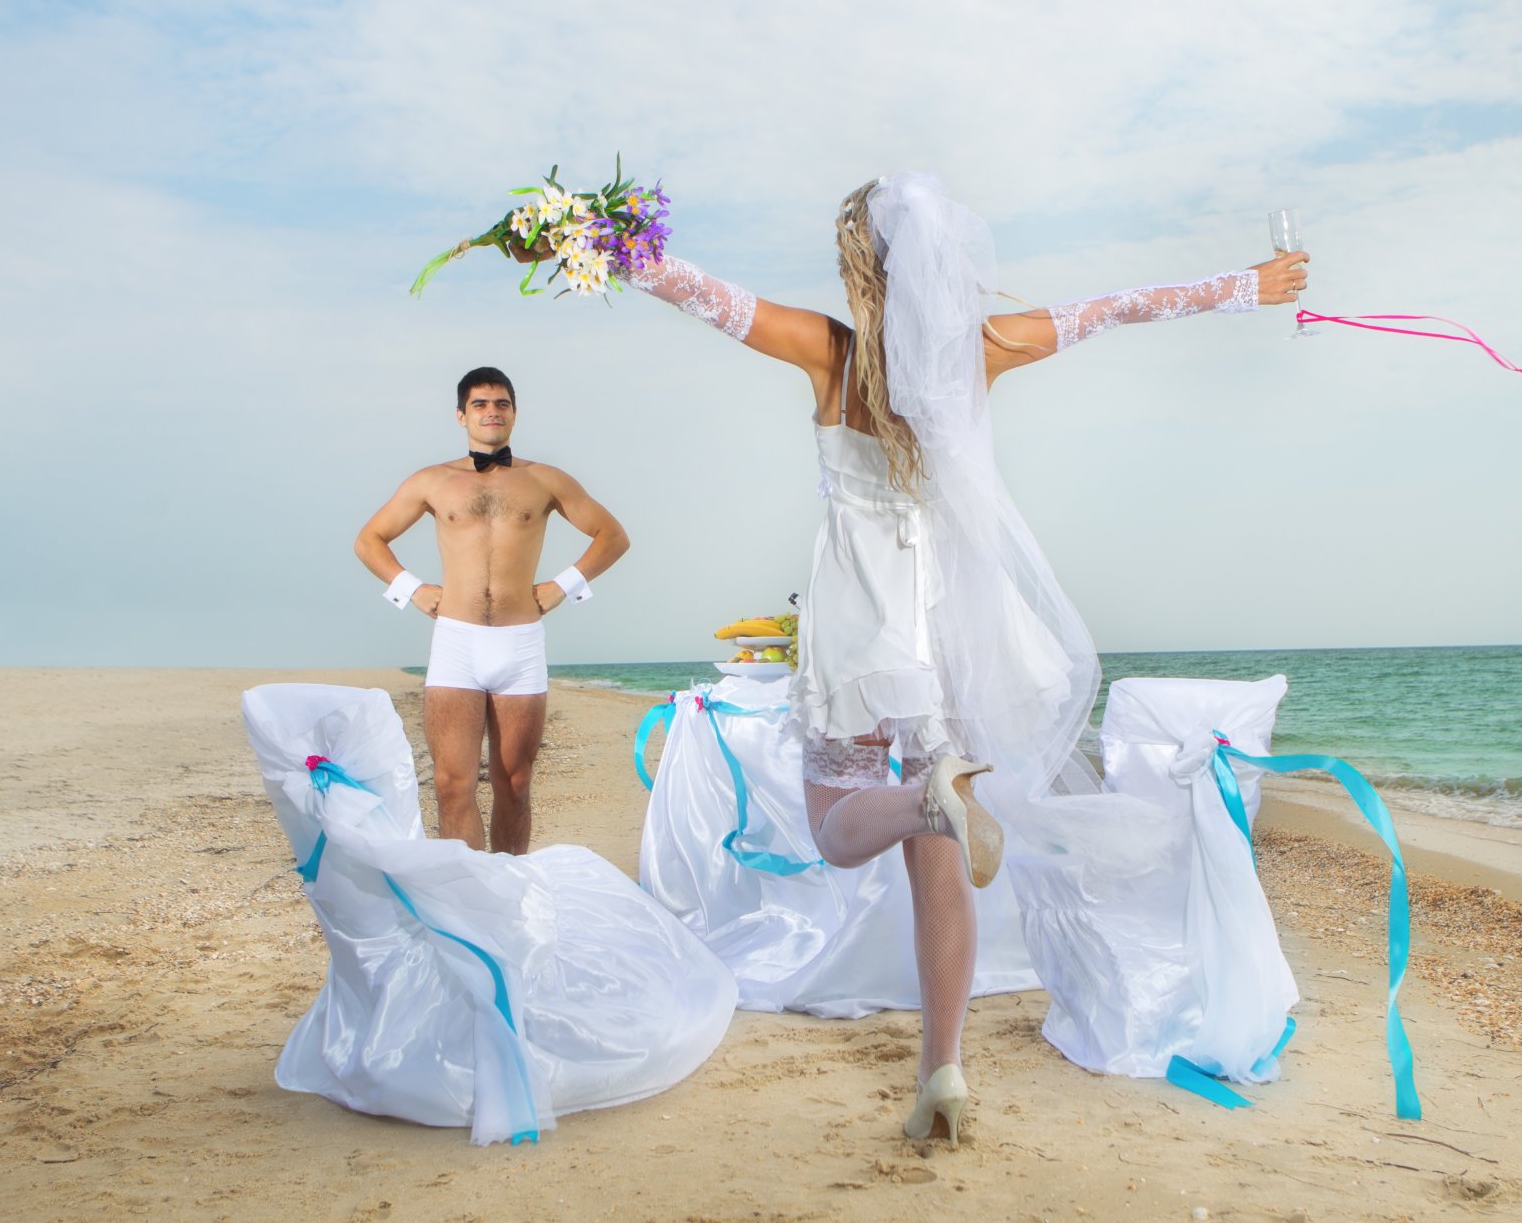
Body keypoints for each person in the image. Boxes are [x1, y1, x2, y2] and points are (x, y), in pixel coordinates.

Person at [516, 174, 1306, 1140]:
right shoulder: (987, 351)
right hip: (960, 627)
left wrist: (578, 240)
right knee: (940, 861)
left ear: (864, 265)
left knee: (840, 826)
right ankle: (944, 1070)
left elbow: (700, 293)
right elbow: (1121, 308)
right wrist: (1250, 285)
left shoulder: (831, 353)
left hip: (862, 622)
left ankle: (933, 802)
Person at [353, 367, 630, 854]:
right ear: (461, 416)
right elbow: (369, 540)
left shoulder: (544, 479)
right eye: (480, 404)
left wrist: (563, 586)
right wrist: (412, 590)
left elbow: (613, 535)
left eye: (501, 403)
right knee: (450, 783)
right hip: (456, 643)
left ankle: (509, 893)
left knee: (516, 783)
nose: (491, 412)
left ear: (515, 414)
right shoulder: (432, 481)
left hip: (519, 643)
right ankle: (467, 897)